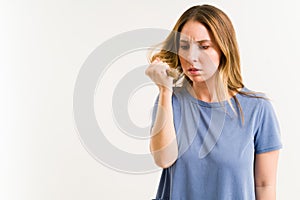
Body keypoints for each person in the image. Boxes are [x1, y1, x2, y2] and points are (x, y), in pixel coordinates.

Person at [145, 4, 282, 200]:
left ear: (224, 48)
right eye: (184, 46)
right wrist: (165, 90)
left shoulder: (258, 109)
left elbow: (264, 184)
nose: (191, 58)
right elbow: (163, 159)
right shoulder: (170, 101)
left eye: (204, 46)